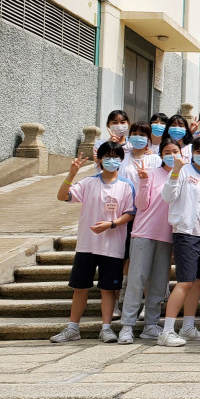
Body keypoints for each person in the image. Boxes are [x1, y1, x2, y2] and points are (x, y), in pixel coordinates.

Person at [51, 143, 136, 343]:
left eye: (115, 157)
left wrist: (112, 224)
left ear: (121, 160)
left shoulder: (126, 185)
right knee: (80, 287)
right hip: (87, 245)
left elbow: (130, 213)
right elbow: (62, 196)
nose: (111, 160)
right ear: (100, 160)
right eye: (107, 156)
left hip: (112, 247)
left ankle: (106, 328)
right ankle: (73, 328)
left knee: (108, 289)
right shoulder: (88, 182)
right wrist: (71, 174)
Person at [157, 137, 200, 347]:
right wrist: (175, 171)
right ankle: (167, 331)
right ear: (192, 153)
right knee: (184, 282)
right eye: (199, 151)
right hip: (187, 233)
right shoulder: (183, 171)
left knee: (197, 282)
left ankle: (188, 327)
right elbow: (168, 196)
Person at [118, 139, 177, 344]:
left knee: (159, 283)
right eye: (167, 151)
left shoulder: (183, 176)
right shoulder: (150, 173)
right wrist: (143, 181)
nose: (172, 155)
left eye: (175, 151)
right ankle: (127, 325)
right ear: (161, 155)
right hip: (144, 232)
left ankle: (151, 324)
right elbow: (141, 204)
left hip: (167, 235)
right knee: (137, 280)